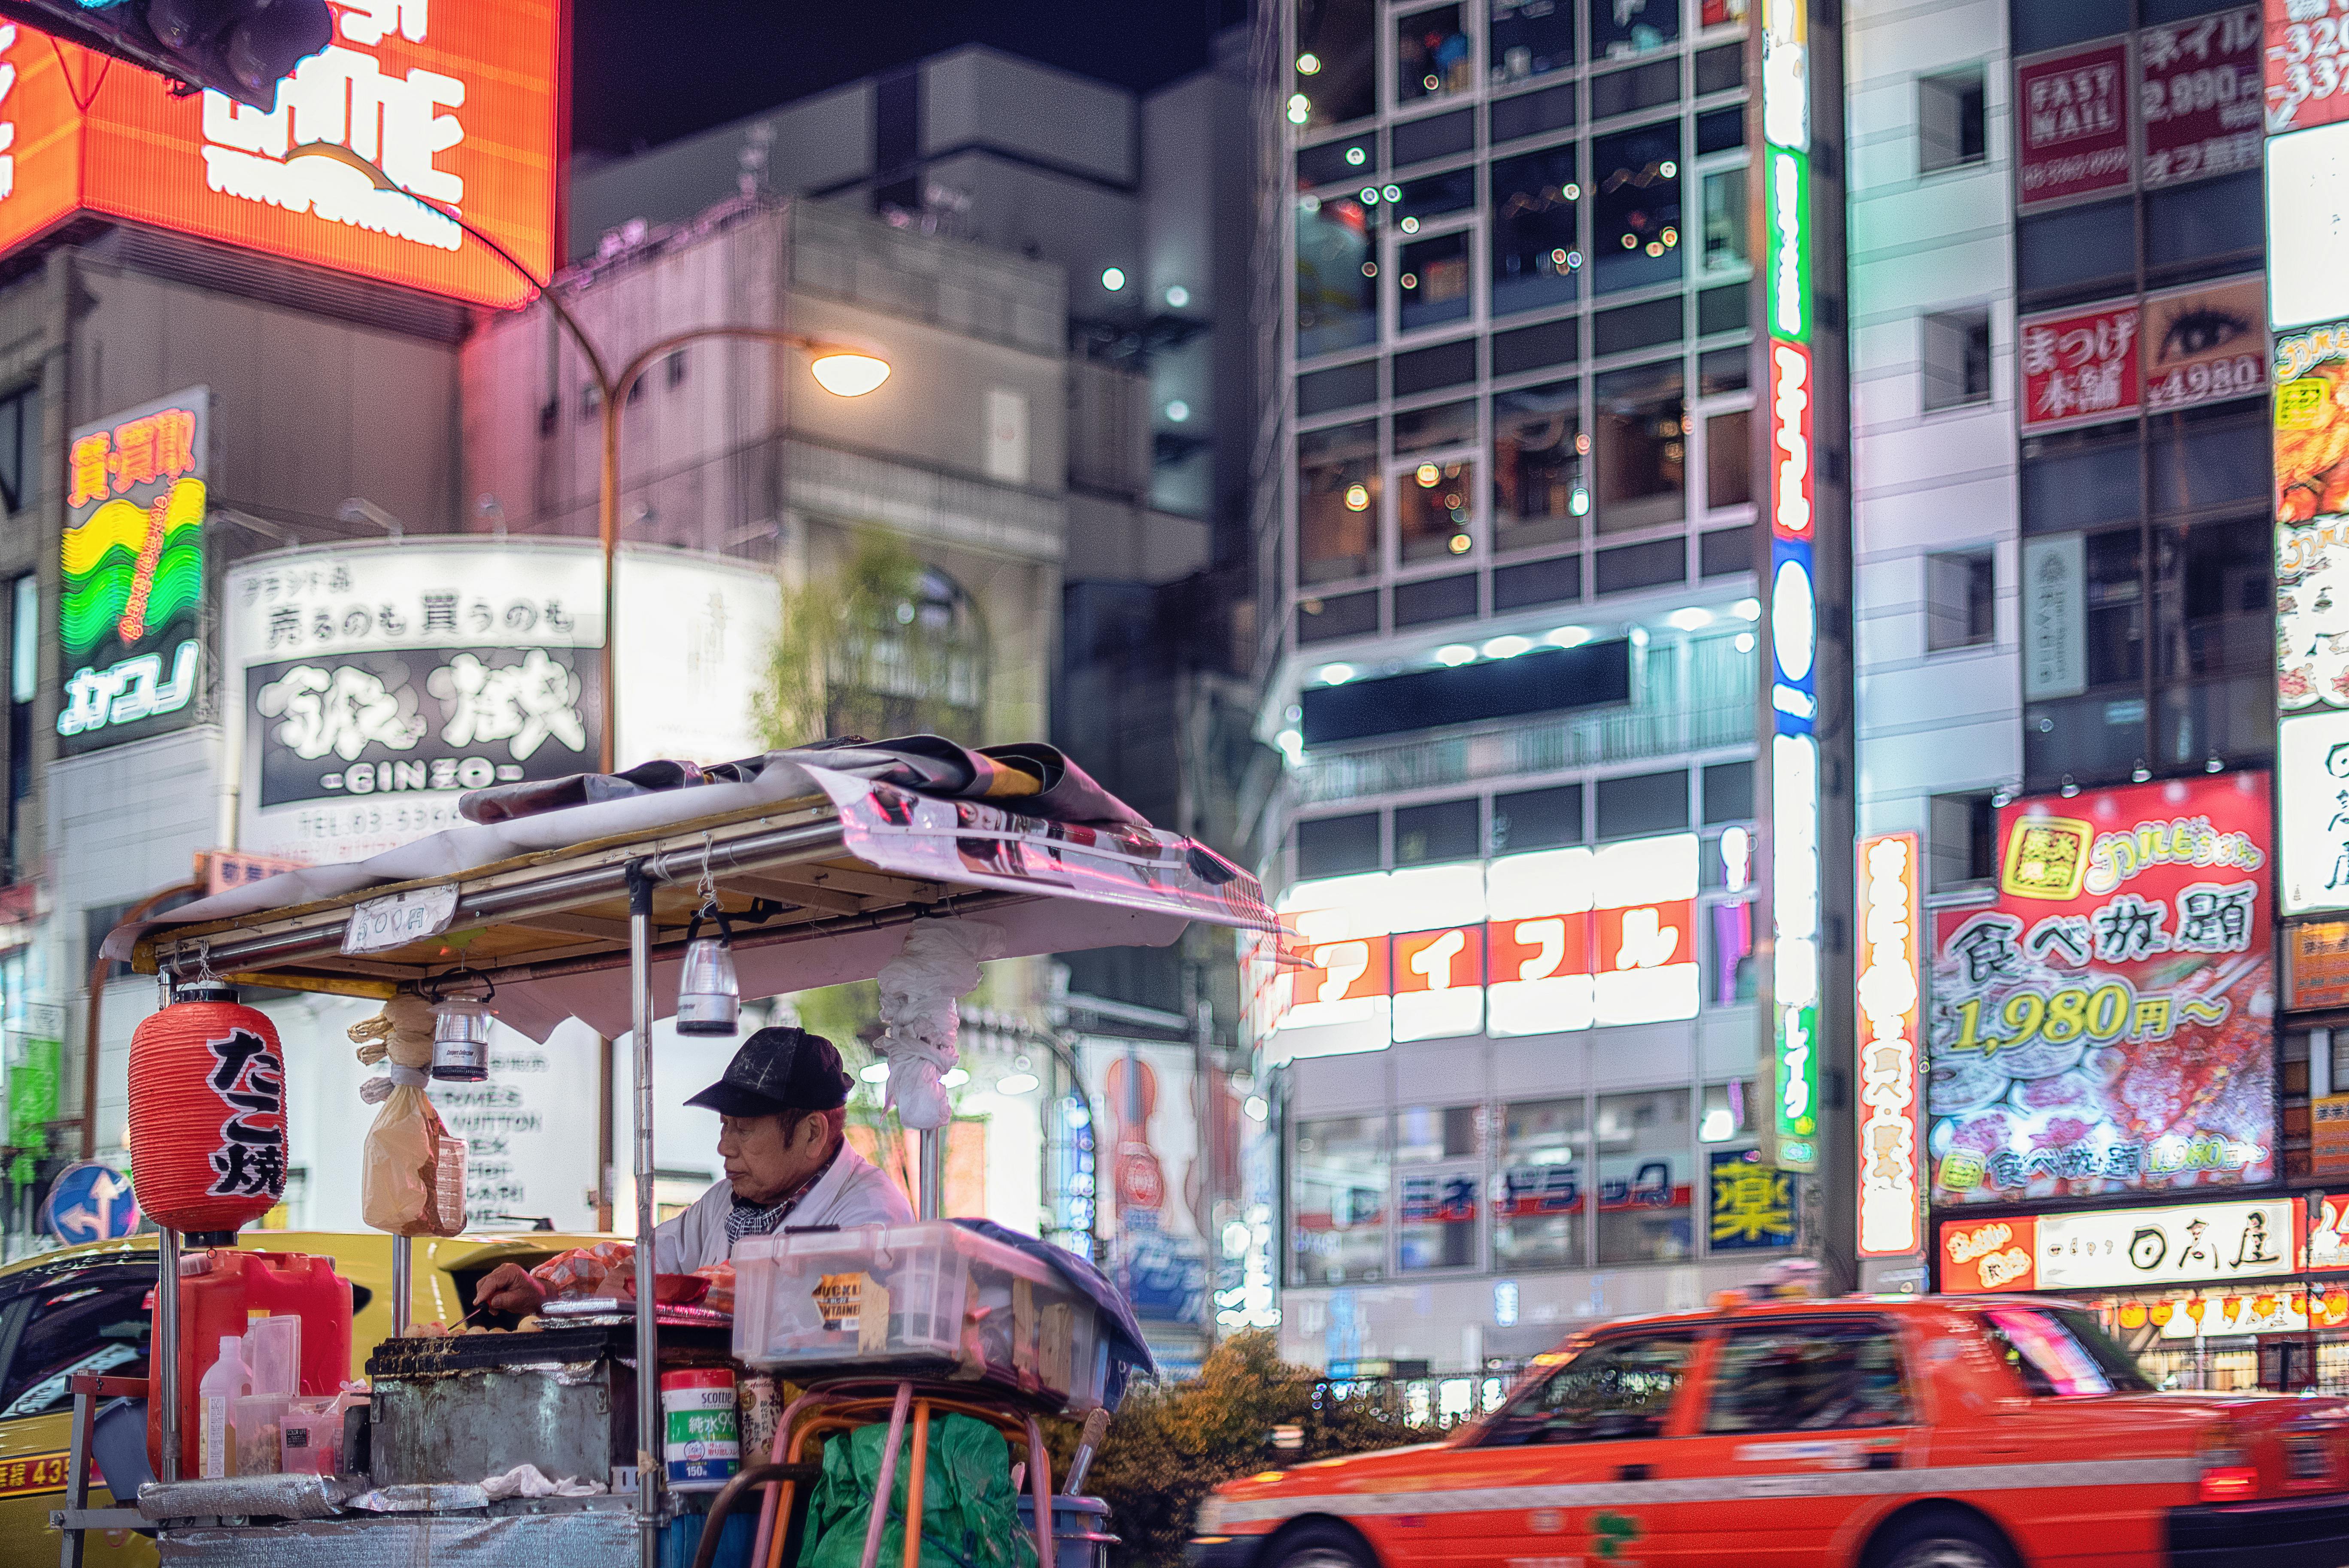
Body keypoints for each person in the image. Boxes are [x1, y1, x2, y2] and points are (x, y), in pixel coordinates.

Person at [472, 1026, 912, 1316]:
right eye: (724, 1126)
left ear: (812, 1133)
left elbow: (796, 1292)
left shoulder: (871, 1210)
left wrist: (656, 1290)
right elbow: (642, 1259)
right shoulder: (724, 1202)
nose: (724, 1145)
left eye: (743, 1128)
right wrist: (546, 1286)